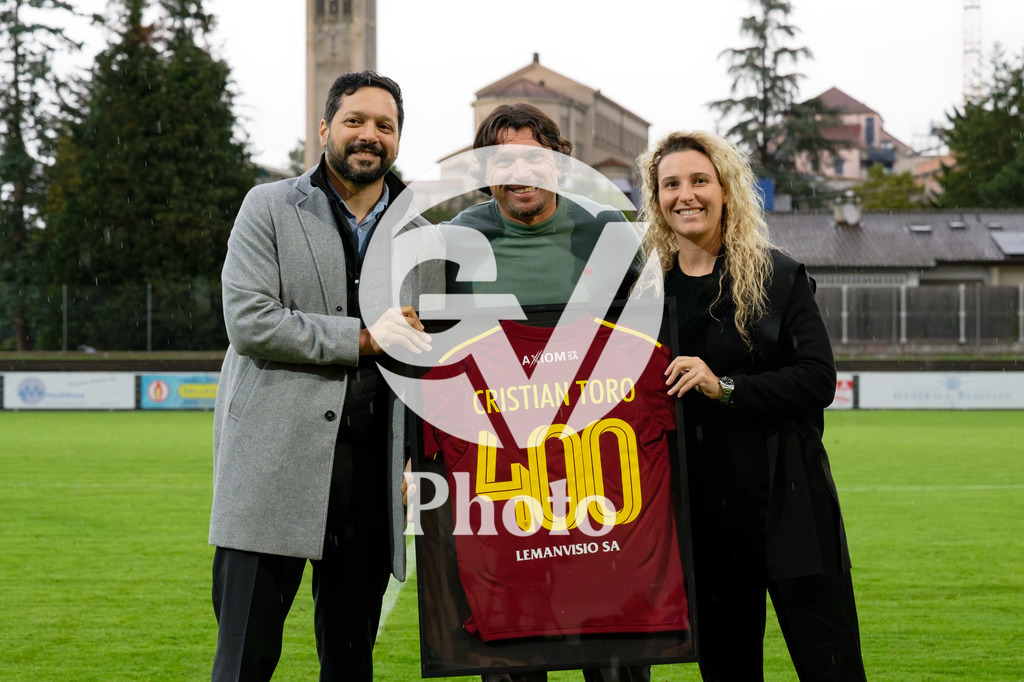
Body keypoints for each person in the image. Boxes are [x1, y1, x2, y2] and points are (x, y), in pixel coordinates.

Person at [209, 70, 440, 681]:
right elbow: (251, 323)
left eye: (384, 126)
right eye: (355, 121)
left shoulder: (423, 236)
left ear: (398, 139)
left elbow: (427, 359)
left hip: (371, 474)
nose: (369, 136)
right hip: (270, 461)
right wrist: (362, 340)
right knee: (244, 656)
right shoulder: (269, 205)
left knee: (348, 658)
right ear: (325, 129)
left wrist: (416, 454)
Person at [635, 130, 867, 681]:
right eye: (670, 184)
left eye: (699, 180)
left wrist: (727, 387)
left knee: (831, 666)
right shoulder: (646, 293)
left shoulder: (778, 275)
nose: (685, 195)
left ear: (726, 189)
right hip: (704, 524)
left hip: (792, 510)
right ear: (656, 198)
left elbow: (817, 380)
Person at [443, 103, 652, 682]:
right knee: (511, 640)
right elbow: (437, 357)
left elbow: (643, 341)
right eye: (502, 158)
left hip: (596, 464)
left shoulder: (606, 231)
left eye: (533, 156)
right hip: (504, 474)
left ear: (558, 163)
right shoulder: (456, 241)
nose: (520, 171)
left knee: (612, 643)